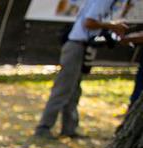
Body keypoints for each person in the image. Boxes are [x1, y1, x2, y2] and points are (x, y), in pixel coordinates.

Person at [34, 0, 129, 138]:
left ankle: (69, 129)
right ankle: (43, 128)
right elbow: (89, 22)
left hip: (83, 47)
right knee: (63, 88)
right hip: (76, 46)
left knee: (74, 90)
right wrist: (112, 26)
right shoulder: (103, 1)